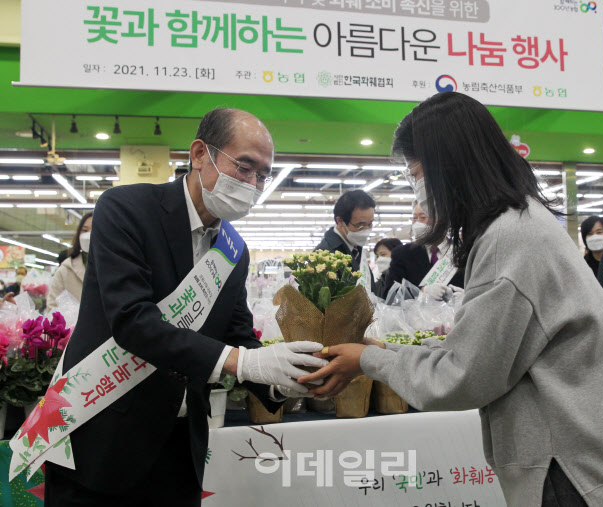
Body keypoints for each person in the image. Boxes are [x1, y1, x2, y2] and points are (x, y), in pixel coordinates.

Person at [300, 92, 603, 506]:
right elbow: (491, 350)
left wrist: (368, 360)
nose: (418, 191)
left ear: (450, 168)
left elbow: (463, 377)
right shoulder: (523, 222)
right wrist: (387, 350)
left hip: (569, 473)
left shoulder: (511, 241)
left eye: (416, 174)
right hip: (585, 459)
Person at [45, 108, 327, 506]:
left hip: (180, 447)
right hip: (103, 436)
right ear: (199, 154)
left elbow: (237, 335)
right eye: (244, 166)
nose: (253, 183)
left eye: (263, 175)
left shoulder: (234, 250)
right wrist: (242, 363)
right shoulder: (125, 209)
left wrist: (282, 381)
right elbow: (133, 321)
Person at [382, 201, 464, 299]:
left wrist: (467, 296)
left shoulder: (463, 252)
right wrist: (422, 291)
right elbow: (389, 293)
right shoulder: (402, 254)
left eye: (423, 217)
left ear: (442, 220)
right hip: (416, 313)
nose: (417, 223)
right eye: (414, 218)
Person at [313, 189, 375, 272]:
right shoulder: (324, 256)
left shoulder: (356, 247)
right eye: (360, 225)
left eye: (370, 224)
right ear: (340, 221)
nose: (366, 230)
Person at [46, 212, 92, 311]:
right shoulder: (66, 269)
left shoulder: (114, 266)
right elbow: (52, 306)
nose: (89, 234)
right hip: (71, 326)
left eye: (95, 230)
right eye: (84, 230)